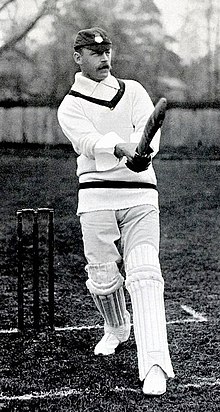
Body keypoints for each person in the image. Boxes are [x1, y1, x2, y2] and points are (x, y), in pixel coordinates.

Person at [57, 27, 174, 396]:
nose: (104, 58)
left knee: (144, 273)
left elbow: (149, 132)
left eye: (107, 51)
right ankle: (116, 328)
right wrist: (122, 149)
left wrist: (145, 154)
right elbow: (89, 143)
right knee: (104, 278)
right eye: (94, 53)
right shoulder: (70, 105)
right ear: (78, 57)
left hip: (140, 196)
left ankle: (155, 362)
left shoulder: (135, 90)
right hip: (96, 198)